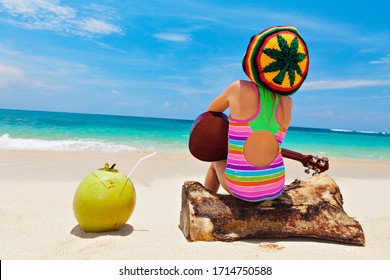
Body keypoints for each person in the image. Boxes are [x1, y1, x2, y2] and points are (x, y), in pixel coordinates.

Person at [204, 25, 309, 202]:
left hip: (242, 188)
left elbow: (211, 111)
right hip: (275, 186)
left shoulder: (239, 88)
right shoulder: (288, 103)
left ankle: (205, 206)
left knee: (215, 163)